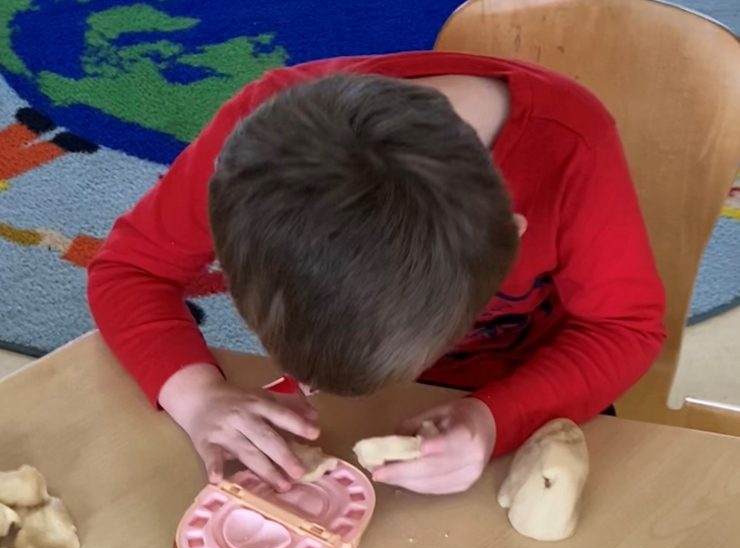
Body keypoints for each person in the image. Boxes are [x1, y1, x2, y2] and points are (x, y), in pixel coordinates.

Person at [88, 51, 665, 495]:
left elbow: (626, 329)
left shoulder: (573, 149)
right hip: (349, 412)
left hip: (524, 396)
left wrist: (494, 419)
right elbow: (129, 270)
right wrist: (198, 397)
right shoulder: (255, 146)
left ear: (514, 238)